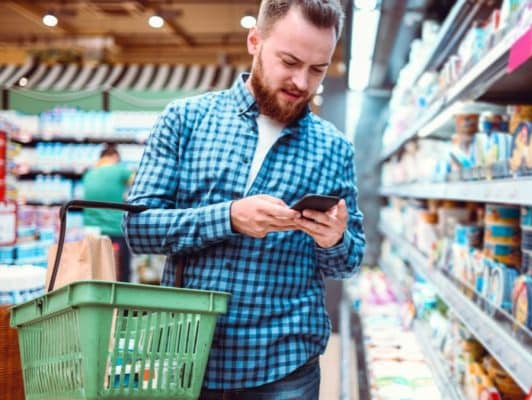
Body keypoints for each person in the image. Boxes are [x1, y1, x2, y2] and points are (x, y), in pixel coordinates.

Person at [122, 1, 365, 398]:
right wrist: (229, 218)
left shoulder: (334, 148)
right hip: (188, 356)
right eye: (289, 61)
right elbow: (138, 229)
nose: (302, 82)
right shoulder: (185, 120)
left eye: (317, 69)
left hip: (285, 367)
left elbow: (350, 260)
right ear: (255, 41)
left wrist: (333, 238)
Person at [82, 143, 134, 282]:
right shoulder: (120, 170)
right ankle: (122, 301)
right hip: (115, 229)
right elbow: (138, 182)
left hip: (92, 231)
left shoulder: (89, 174)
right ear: (115, 156)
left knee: (97, 272)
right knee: (121, 273)